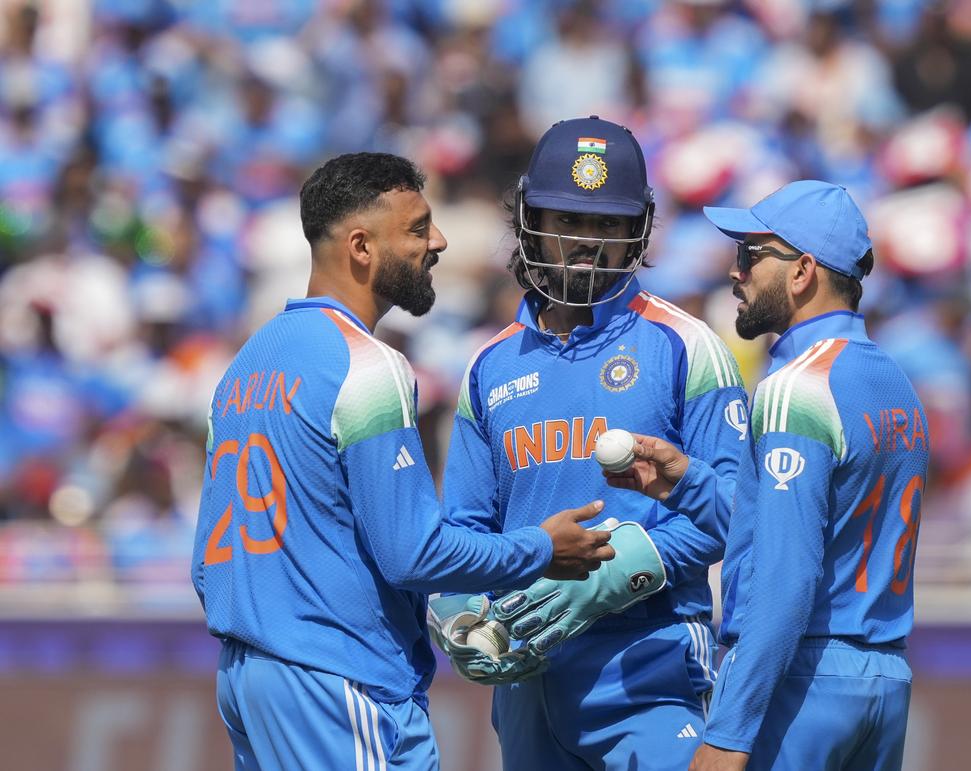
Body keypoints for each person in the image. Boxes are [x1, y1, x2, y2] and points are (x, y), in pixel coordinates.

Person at [189, 152, 615, 770]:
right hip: (338, 680)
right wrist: (544, 548)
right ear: (361, 246)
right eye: (417, 228)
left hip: (248, 679)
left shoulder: (246, 365)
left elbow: (207, 565)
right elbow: (413, 553)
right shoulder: (367, 365)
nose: (438, 241)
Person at [437, 116, 748, 769]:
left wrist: (623, 568)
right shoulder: (488, 366)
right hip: (525, 666)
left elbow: (740, 511)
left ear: (638, 227)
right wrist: (460, 609)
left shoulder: (686, 347)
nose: (585, 242)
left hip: (648, 664)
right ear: (529, 219)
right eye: (567, 219)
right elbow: (465, 524)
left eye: (607, 225)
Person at [607, 181, 929, 770]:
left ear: (804, 270)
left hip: (802, 681)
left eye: (751, 255)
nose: (735, 272)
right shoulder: (895, 383)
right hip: (883, 681)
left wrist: (729, 732)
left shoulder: (794, 388)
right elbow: (811, 532)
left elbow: (787, 574)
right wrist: (686, 484)